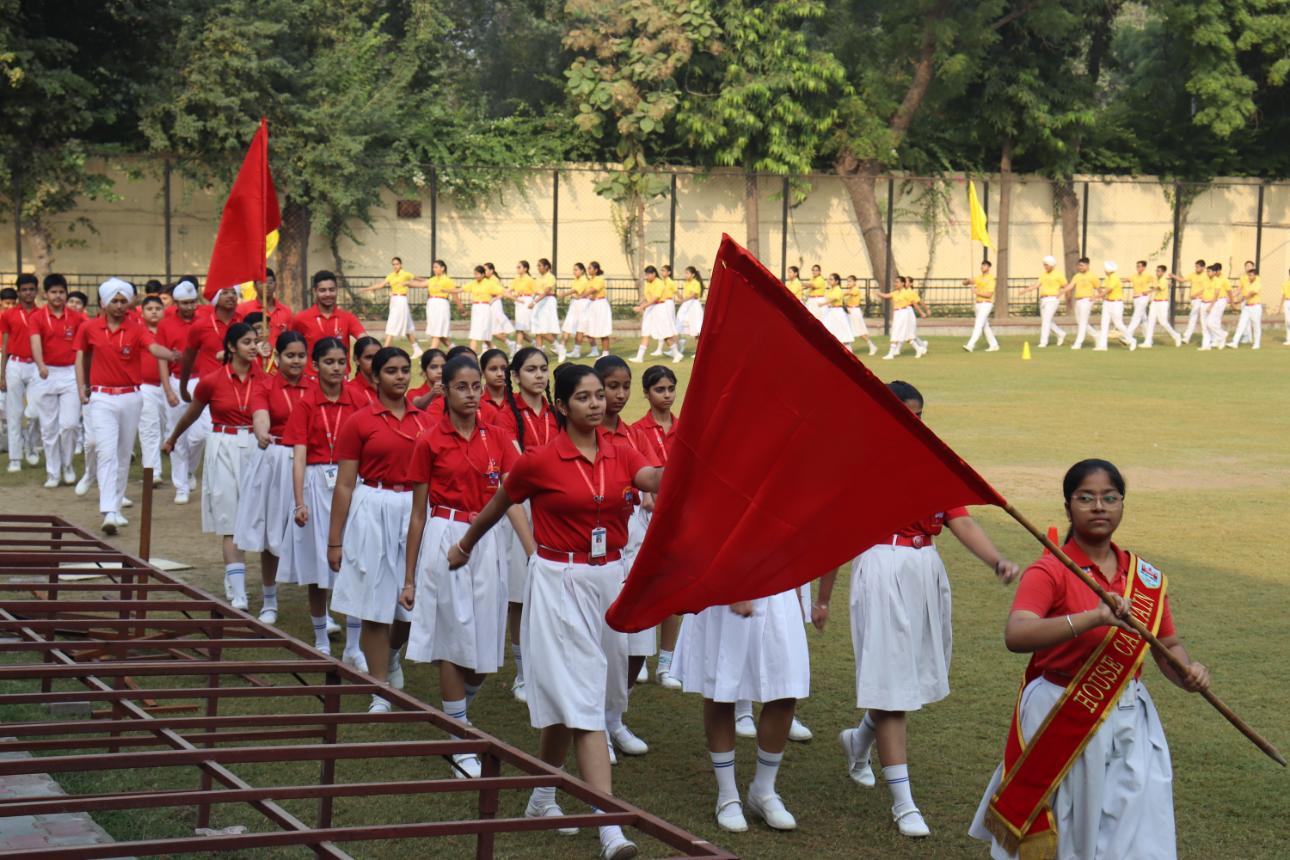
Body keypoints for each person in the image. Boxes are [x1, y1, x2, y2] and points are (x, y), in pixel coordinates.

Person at [445, 362, 663, 860]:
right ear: (561, 406)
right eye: (584, 397)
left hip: (609, 580)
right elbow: (499, 504)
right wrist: (464, 545)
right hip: (559, 581)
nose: (596, 404)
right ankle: (609, 827)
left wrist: (690, 461)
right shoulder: (539, 460)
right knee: (583, 700)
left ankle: (543, 795)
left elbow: (652, 477)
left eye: (599, 395)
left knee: (583, 696)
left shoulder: (620, 448)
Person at [969, 459, 1210, 860]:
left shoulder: (1146, 578)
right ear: (1068, 507)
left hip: (1131, 716)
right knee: (1072, 830)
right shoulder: (1050, 570)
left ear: (1122, 504)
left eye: (1109, 498)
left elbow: (1167, 644)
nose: (1099, 507)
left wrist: (1187, 672)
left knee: (1136, 830)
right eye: (1086, 498)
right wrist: (1094, 618)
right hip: (1061, 710)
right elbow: (1018, 634)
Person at [839, 381, 1018, 838]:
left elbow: (959, 518)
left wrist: (996, 560)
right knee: (893, 686)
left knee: (907, 678)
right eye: (904, 414)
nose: (913, 423)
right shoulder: (866, 460)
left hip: (924, 568)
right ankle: (904, 804)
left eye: (918, 416)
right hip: (884, 565)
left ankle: (859, 740)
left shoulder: (936, 461)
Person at [402, 354, 534, 778]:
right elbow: (418, 514)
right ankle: (460, 741)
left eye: (477, 386)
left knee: (483, 646)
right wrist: (409, 578)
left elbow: (511, 499)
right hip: (446, 539)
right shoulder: (429, 441)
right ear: (445, 389)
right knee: (453, 642)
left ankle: (455, 718)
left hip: (488, 540)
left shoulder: (498, 438)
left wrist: (532, 551)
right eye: (462, 387)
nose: (472, 394)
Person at [327, 347, 427, 713]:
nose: (400, 377)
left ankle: (393, 653)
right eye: (391, 371)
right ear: (375, 377)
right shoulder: (359, 422)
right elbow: (344, 484)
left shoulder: (425, 421)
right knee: (373, 602)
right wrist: (334, 540)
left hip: (415, 509)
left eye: (404, 370)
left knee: (412, 603)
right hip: (372, 507)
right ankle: (380, 689)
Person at [280, 337, 366, 661]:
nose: (336, 368)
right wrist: (299, 501)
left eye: (341, 362)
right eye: (329, 362)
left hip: (351, 480)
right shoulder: (306, 404)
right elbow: (299, 456)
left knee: (354, 561)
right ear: (315, 366)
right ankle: (321, 639)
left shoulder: (357, 400)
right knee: (318, 565)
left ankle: (355, 645)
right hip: (317, 483)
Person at [165, 322, 262, 602]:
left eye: (255, 341)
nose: (253, 347)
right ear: (231, 347)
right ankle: (239, 591)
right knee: (230, 520)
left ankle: (259, 590)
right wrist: (173, 438)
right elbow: (192, 414)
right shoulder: (211, 381)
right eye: (246, 342)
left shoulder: (266, 380)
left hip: (257, 446)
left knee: (259, 520)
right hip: (223, 445)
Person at [77, 279, 177, 534]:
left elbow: (153, 347)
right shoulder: (89, 327)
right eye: (115, 301)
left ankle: (116, 507)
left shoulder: (136, 328)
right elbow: (82, 356)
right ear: (103, 303)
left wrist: (174, 355)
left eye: (124, 301)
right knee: (106, 452)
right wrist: (82, 386)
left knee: (123, 454)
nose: (120, 306)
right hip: (102, 397)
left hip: (131, 396)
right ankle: (108, 510)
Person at [594, 355, 653, 761]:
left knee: (638, 643)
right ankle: (596, 724)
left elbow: (650, 482)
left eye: (624, 386)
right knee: (604, 641)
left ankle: (615, 717)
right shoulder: (587, 435)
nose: (618, 395)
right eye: (610, 387)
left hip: (635, 537)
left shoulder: (632, 436)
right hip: (600, 543)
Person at [492, 347, 557, 703]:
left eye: (543, 368)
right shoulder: (505, 415)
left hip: (557, 504)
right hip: (523, 505)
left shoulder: (556, 412)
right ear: (515, 376)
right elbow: (518, 469)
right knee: (520, 594)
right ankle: (521, 673)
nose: (539, 375)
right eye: (531, 369)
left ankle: (548, 669)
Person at [235, 330, 311, 624]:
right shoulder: (265, 385)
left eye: (301, 355)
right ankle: (269, 600)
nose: (296, 361)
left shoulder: (315, 387)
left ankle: (320, 607)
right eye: (290, 355)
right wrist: (261, 432)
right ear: (277, 357)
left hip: (310, 460)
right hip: (276, 457)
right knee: (272, 530)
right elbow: (260, 416)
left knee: (312, 532)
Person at [632, 366, 685, 691]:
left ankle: (666, 663)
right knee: (642, 585)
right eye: (659, 389)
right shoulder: (636, 431)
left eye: (670, 389)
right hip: (645, 516)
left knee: (672, 588)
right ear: (647, 393)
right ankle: (639, 657)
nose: (666, 395)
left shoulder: (686, 429)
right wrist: (647, 496)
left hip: (678, 518)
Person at [29, 275, 87, 487]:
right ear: (46, 294)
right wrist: (41, 364)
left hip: (71, 373)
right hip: (46, 373)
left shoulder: (78, 317)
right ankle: (52, 472)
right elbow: (35, 342)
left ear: (66, 293)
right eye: (53, 292)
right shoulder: (37, 317)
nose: (58, 296)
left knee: (70, 424)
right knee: (49, 428)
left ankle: (67, 464)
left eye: (61, 292)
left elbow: (86, 343)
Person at [155, 279, 206, 504]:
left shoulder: (204, 322)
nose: (189, 307)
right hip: (176, 381)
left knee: (200, 435)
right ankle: (180, 485)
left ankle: (190, 470)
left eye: (193, 302)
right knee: (177, 434)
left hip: (202, 381)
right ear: (176, 303)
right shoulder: (165, 325)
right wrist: (168, 389)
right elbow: (162, 359)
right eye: (185, 303)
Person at [1, 273, 43, 472]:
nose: (28, 293)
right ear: (18, 292)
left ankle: (31, 443)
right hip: (15, 364)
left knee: (35, 411)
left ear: (36, 291)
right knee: (14, 412)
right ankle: (15, 458)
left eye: (31, 289)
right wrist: (2, 373)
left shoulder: (42, 314)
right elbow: (5, 345)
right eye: (24, 290)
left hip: (36, 365)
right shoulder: (8, 315)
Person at [134, 295, 175, 485]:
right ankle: (152, 473)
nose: (154, 312)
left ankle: (182, 473)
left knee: (170, 428)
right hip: (145, 386)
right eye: (149, 309)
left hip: (171, 386)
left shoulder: (169, 331)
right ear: (142, 312)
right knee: (149, 429)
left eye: (158, 308)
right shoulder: (137, 331)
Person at [291, 270, 369, 363]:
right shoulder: (301, 318)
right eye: (322, 290)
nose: (328, 294)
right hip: (312, 372)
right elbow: (290, 345)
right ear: (314, 291)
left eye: (331, 290)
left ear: (337, 290)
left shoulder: (348, 318)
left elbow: (364, 340)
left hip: (340, 371)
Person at [235, 269, 293, 370]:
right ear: (254, 286)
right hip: (252, 364)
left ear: (275, 285)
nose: (267, 286)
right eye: (262, 283)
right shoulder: (242, 309)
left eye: (270, 282)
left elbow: (290, 340)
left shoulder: (286, 311)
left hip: (277, 366)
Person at [365, 257, 421, 355]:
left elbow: (416, 278)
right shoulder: (391, 276)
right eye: (393, 264)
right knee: (407, 326)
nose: (395, 266)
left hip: (401, 300)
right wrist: (368, 288)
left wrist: (430, 281)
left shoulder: (405, 274)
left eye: (397, 264)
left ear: (401, 264)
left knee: (392, 323)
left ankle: (384, 349)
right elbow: (381, 285)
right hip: (394, 300)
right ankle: (417, 349)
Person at [631, 266, 681, 364]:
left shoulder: (659, 283)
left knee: (665, 334)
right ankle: (639, 357)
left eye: (648, 274)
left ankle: (676, 354)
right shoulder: (647, 283)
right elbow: (647, 297)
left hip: (659, 308)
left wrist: (641, 307)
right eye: (646, 274)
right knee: (646, 332)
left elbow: (655, 298)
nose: (647, 276)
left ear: (654, 274)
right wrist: (640, 304)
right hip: (650, 309)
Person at [1015, 256, 1067, 348]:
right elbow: (1037, 285)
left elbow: (1065, 286)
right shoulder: (1044, 274)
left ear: (1051, 265)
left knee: (1046, 320)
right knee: (1046, 320)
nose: (1045, 266)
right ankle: (1060, 333)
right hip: (1043, 299)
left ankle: (1043, 342)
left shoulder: (1058, 275)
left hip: (1052, 299)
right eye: (1044, 265)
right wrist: (1025, 290)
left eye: (1046, 265)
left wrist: (1060, 293)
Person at [409, 259, 455, 351]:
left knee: (437, 333)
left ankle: (431, 353)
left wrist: (461, 307)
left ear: (442, 268)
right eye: (433, 267)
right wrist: (406, 283)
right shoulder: (433, 280)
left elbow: (454, 294)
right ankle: (456, 350)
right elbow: (420, 284)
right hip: (432, 306)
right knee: (438, 333)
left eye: (436, 267)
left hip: (441, 305)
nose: (434, 269)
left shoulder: (447, 280)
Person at [879, 277, 928, 360]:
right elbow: (887, 296)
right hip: (897, 313)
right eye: (895, 282)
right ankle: (918, 349)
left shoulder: (906, 293)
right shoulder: (895, 293)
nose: (895, 284)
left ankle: (891, 354)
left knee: (896, 332)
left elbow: (914, 303)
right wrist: (878, 293)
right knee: (905, 335)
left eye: (897, 282)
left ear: (902, 283)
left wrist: (921, 312)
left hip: (904, 313)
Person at [1094, 261, 1137, 351]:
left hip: (1116, 303)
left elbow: (1108, 290)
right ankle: (1103, 345)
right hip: (1107, 302)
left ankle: (1132, 340)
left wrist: (1097, 296)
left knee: (1118, 324)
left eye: (1105, 269)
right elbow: (1107, 291)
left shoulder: (1114, 277)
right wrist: (1103, 297)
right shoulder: (1108, 278)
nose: (1104, 270)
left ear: (1108, 270)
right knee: (1104, 323)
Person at [961, 261, 1001, 353]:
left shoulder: (991, 279)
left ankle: (970, 345)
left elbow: (989, 294)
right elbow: (965, 283)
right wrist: (967, 281)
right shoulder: (979, 278)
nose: (983, 267)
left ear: (989, 267)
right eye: (982, 265)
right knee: (985, 326)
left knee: (978, 324)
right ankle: (994, 344)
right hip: (978, 304)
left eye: (985, 265)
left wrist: (976, 292)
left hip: (986, 304)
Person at [1059, 257, 1098, 350]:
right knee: (1080, 322)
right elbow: (1071, 285)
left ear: (1087, 265)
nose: (1079, 267)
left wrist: (1097, 297)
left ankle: (1078, 343)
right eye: (1079, 265)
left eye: (1082, 265)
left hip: (1087, 300)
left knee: (1083, 322)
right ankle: (1097, 335)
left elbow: (1098, 288)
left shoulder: (1092, 276)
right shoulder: (1077, 276)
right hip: (1078, 300)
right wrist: (1062, 291)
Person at [1141, 265, 1183, 348]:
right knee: (1151, 321)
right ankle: (1148, 342)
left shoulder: (1163, 280)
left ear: (1163, 272)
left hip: (1162, 303)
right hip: (1155, 302)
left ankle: (1176, 336)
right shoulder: (1156, 279)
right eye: (1156, 270)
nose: (1157, 272)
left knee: (1163, 322)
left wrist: (1148, 292)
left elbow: (1158, 288)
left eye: (1159, 271)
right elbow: (1155, 286)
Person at [557, 262, 591, 362]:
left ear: (582, 271)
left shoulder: (584, 280)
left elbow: (575, 291)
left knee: (580, 328)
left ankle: (576, 351)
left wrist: (564, 294)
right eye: (573, 270)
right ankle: (562, 348)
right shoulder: (576, 280)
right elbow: (574, 292)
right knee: (568, 325)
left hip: (583, 305)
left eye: (576, 270)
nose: (574, 272)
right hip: (575, 304)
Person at [1170, 259, 1209, 346]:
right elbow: (1182, 280)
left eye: (1198, 267)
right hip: (1194, 300)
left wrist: (1196, 295)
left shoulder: (1206, 276)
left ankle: (1205, 338)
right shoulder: (1193, 274)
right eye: (1196, 267)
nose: (1196, 268)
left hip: (1201, 300)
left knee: (1199, 319)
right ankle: (1187, 338)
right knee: (1193, 318)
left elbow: (1206, 288)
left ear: (1203, 267)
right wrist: (1173, 276)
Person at [582, 261, 613, 357]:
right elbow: (587, 291)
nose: (588, 270)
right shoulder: (590, 280)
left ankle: (605, 353)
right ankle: (594, 350)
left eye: (590, 268)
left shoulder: (599, 279)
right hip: (591, 305)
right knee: (587, 328)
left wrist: (583, 295)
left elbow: (593, 290)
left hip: (600, 305)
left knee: (602, 329)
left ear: (596, 270)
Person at [484, 262, 516, 352]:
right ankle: (487, 349)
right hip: (490, 304)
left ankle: (509, 343)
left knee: (494, 330)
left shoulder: (494, 280)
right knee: (488, 328)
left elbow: (500, 293)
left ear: (491, 270)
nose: (483, 272)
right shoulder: (486, 280)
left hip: (495, 305)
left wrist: (493, 298)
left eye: (485, 270)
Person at [529, 258, 561, 350]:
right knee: (537, 328)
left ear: (546, 266)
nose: (538, 268)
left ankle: (559, 347)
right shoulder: (538, 278)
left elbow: (546, 291)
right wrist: (533, 300)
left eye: (540, 266)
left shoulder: (550, 277)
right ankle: (539, 350)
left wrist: (534, 302)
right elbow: (535, 290)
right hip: (539, 301)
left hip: (547, 301)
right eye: (537, 266)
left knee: (543, 329)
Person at [844, 276, 879, 357]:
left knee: (859, 331)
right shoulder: (848, 291)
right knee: (848, 330)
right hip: (849, 311)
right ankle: (849, 349)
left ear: (854, 282)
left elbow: (851, 293)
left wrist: (841, 294)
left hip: (854, 311)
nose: (848, 283)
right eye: (847, 281)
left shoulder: (856, 289)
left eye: (850, 281)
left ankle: (872, 346)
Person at [1229, 267, 1262, 350]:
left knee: (1256, 325)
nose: (1249, 277)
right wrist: (1235, 300)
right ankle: (1234, 342)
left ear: (1255, 276)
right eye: (1248, 275)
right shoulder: (1247, 283)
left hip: (1255, 307)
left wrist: (1239, 301)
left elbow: (1251, 293)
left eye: (1251, 275)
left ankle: (1257, 344)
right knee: (1241, 324)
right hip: (1247, 307)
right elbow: (1243, 294)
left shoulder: (1257, 283)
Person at [464, 266, 495, 354]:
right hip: (476, 309)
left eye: (477, 274)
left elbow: (502, 292)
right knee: (475, 334)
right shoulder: (474, 283)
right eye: (474, 274)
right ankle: (472, 355)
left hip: (484, 309)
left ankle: (495, 351)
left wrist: (517, 299)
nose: (475, 276)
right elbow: (461, 289)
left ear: (482, 274)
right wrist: (447, 290)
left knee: (483, 334)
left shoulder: (490, 283)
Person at [346, 336, 383, 406]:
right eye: (369, 357)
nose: (375, 362)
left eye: (378, 357)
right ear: (356, 359)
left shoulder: (389, 386)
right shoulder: (348, 390)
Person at [676, 267, 705, 356]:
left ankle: (698, 352)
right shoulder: (686, 283)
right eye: (685, 273)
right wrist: (680, 298)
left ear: (693, 274)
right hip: (686, 306)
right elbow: (685, 295)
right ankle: (679, 349)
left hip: (694, 307)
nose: (685, 275)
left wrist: (683, 300)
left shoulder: (696, 283)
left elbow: (693, 295)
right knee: (680, 326)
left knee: (696, 330)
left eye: (687, 273)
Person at [822, 273, 855, 347]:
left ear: (837, 281)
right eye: (829, 279)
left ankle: (848, 347)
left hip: (837, 311)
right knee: (827, 328)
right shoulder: (830, 290)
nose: (829, 281)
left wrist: (823, 303)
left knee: (841, 330)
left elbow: (834, 299)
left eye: (831, 279)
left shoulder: (838, 289)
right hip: (831, 312)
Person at [1124, 260, 1154, 340]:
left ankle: (1127, 336)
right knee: (1143, 319)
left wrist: (1148, 291)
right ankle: (1148, 338)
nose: (1138, 268)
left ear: (1144, 267)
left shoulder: (1147, 275)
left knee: (1136, 316)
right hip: (1136, 299)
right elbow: (1127, 280)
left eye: (1139, 266)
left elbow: (1156, 283)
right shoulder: (1134, 276)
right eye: (1137, 266)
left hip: (1143, 298)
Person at [477, 348, 509, 424]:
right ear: (483, 373)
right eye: (493, 369)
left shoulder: (517, 400)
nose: (500, 374)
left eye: (504, 369)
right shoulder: (476, 402)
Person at [1203, 263, 1230, 350]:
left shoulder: (1218, 281)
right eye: (1207, 271)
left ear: (1214, 272)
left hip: (1215, 303)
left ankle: (1222, 335)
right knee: (1209, 324)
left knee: (1210, 323)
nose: (1207, 273)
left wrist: (1210, 306)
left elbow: (1216, 294)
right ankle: (1220, 337)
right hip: (1209, 303)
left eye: (1209, 271)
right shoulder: (1207, 280)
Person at [511, 260, 537, 347]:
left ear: (525, 269)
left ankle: (518, 349)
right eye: (517, 267)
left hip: (526, 301)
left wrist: (533, 302)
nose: (517, 269)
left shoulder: (530, 279)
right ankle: (534, 343)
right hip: (518, 302)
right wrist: (515, 294)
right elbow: (510, 291)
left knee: (520, 328)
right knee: (519, 328)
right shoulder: (516, 279)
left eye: (519, 267)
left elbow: (536, 292)